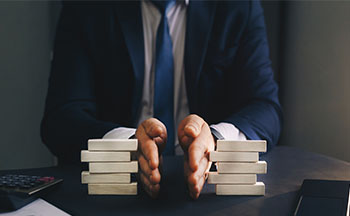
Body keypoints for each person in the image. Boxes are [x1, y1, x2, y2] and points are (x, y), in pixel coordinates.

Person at [41, 0, 283, 199]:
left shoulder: (238, 6)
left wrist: (215, 140)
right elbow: (62, 117)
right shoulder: (86, 8)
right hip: (116, 193)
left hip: (208, 191)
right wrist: (128, 144)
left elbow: (265, 108)